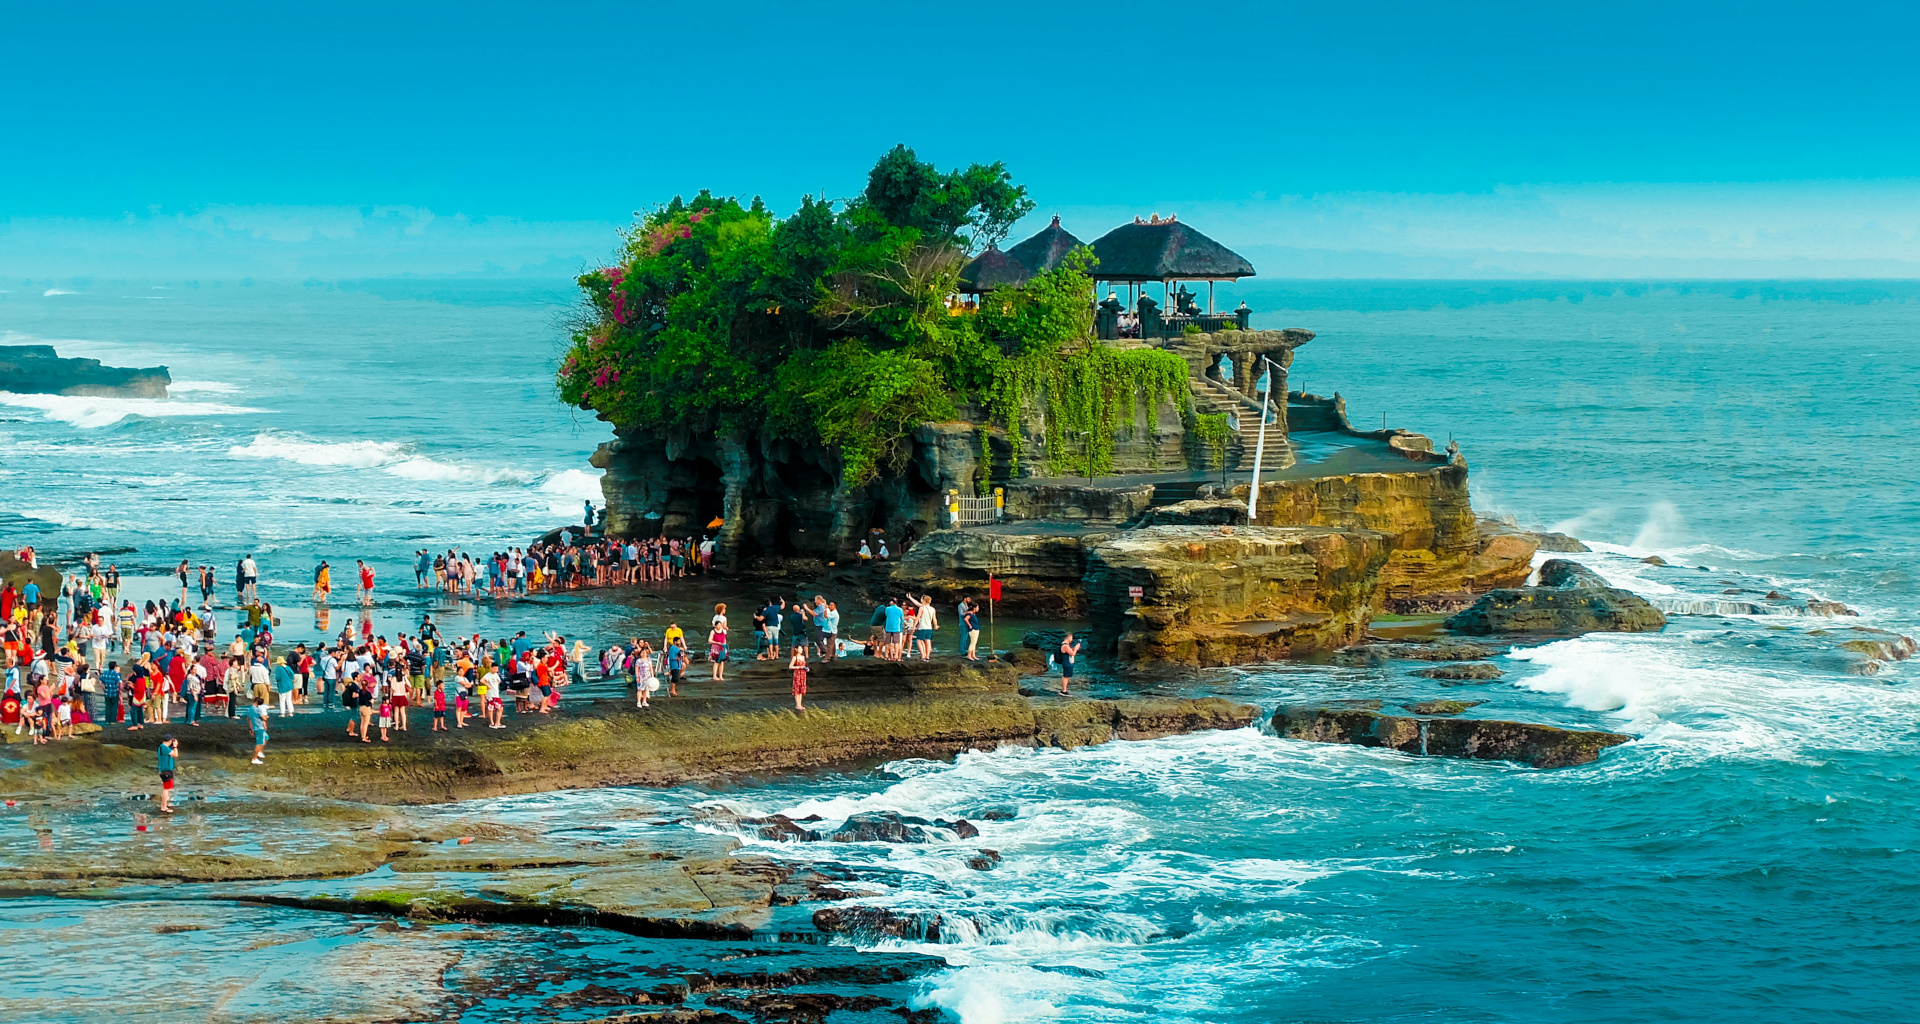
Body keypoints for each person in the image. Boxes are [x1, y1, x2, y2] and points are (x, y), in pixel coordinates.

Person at [156, 736, 179, 813]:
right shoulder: (164, 747)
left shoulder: (163, 747)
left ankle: (165, 804)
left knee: (168, 788)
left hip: (166, 770)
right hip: (165, 771)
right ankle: (163, 806)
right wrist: (175, 746)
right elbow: (175, 755)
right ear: (169, 741)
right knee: (166, 788)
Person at [247, 697, 270, 764]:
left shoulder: (250, 709)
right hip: (260, 727)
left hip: (255, 727)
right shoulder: (257, 710)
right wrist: (266, 717)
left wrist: (251, 728)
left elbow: (249, 719)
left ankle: (259, 751)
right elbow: (264, 718)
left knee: (266, 738)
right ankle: (254, 758)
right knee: (259, 742)